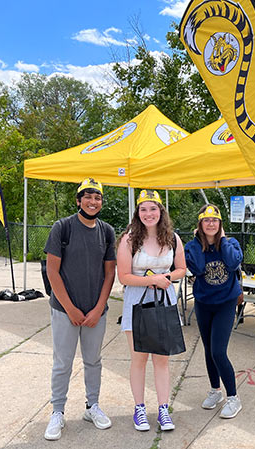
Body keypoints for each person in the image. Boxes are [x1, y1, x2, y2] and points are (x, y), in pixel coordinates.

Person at [43, 178, 116, 441]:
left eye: (97, 197)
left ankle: (92, 406)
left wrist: (98, 308)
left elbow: (110, 274)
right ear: (78, 200)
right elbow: (52, 271)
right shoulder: (63, 227)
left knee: (93, 360)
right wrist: (70, 308)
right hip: (65, 311)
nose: (93, 201)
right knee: (62, 362)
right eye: (88, 196)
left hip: (95, 310)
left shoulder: (107, 231)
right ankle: (57, 412)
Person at [117, 189, 186, 432]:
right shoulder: (128, 239)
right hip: (137, 301)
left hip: (164, 300)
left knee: (162, 360)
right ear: (138, 212)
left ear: (161, 211)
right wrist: (152, 280)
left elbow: (181, 269)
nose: (149, 213)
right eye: (143, 209)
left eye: (153, 208)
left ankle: (164, 410)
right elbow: (124, 276)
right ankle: (139, 409)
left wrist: (164, 277)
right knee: (139, 359)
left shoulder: (173, 238)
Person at [185, 204, 244, 419]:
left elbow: (231, 263)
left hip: (225, 303)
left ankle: (233, 397)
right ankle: (215, 390)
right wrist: (201, 242)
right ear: (200, 224)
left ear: (220, 224)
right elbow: (199, 268)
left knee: (219, 351)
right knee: (209, 349)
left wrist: (224, 240)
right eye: (206, 220)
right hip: (203, 303)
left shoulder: (232, 244)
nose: (211, 224)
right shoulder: (192, 247)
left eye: (215, 220)